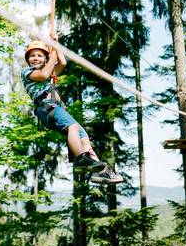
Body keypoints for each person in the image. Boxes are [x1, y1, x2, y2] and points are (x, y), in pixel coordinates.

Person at [21, 39, 123, 184]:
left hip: (55, 108)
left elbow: (62, 63)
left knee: (82, 135)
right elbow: (44, 75)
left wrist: (56, 47)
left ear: (45, 59)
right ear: (28, 60)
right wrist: (52, 56)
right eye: (32, 56)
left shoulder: (48, 71)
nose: (35, 58)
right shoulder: (28, 72)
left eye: (39, 55)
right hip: (47, 108)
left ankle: (99, 171)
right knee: (73, 127)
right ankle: (82, 159)